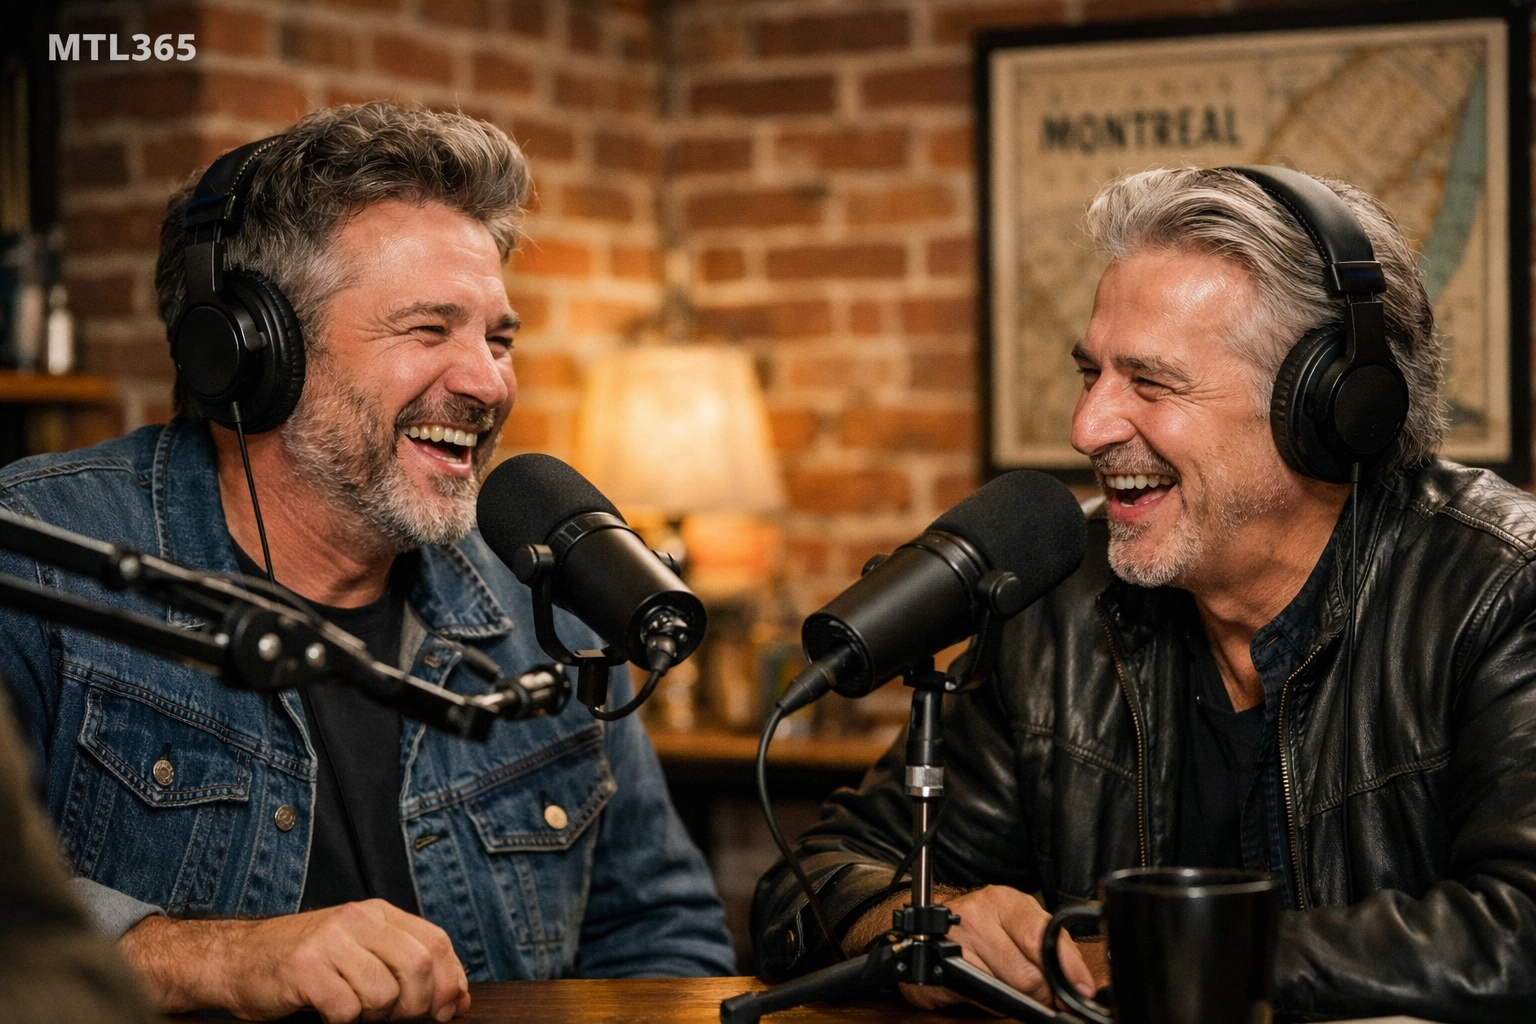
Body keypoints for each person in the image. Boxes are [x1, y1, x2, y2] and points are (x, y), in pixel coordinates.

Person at [0, 102, 733, 1023]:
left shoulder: (547, 605)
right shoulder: (36, 557)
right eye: (429, 330)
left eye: (498, 338)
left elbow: (663, 936)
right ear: (249, 353)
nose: (489, 381)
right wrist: (206, 956)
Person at [752, 166, 1536, 1023]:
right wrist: (915, 929)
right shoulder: (1060, 605)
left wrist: (1151, 953)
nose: (1087, 427)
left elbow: (1517, 929)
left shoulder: (1503, 591)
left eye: (1151, 383)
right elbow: (826, 869)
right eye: (1092, 374)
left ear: (1333, 410)